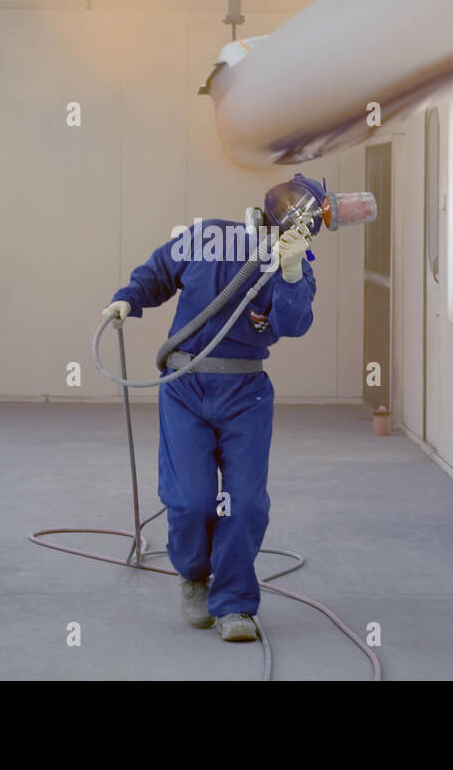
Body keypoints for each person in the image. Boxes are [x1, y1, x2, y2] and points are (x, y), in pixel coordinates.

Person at [101, 183, 320, 642]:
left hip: (246, 394)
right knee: (190, 499)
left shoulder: (290, 262)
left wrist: (294, 270)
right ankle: (195, 577)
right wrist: (128, 298)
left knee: (246, 502)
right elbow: (160, 270)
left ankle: (235, 602)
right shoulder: (206, 237)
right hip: (186, 388)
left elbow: (293, 324)